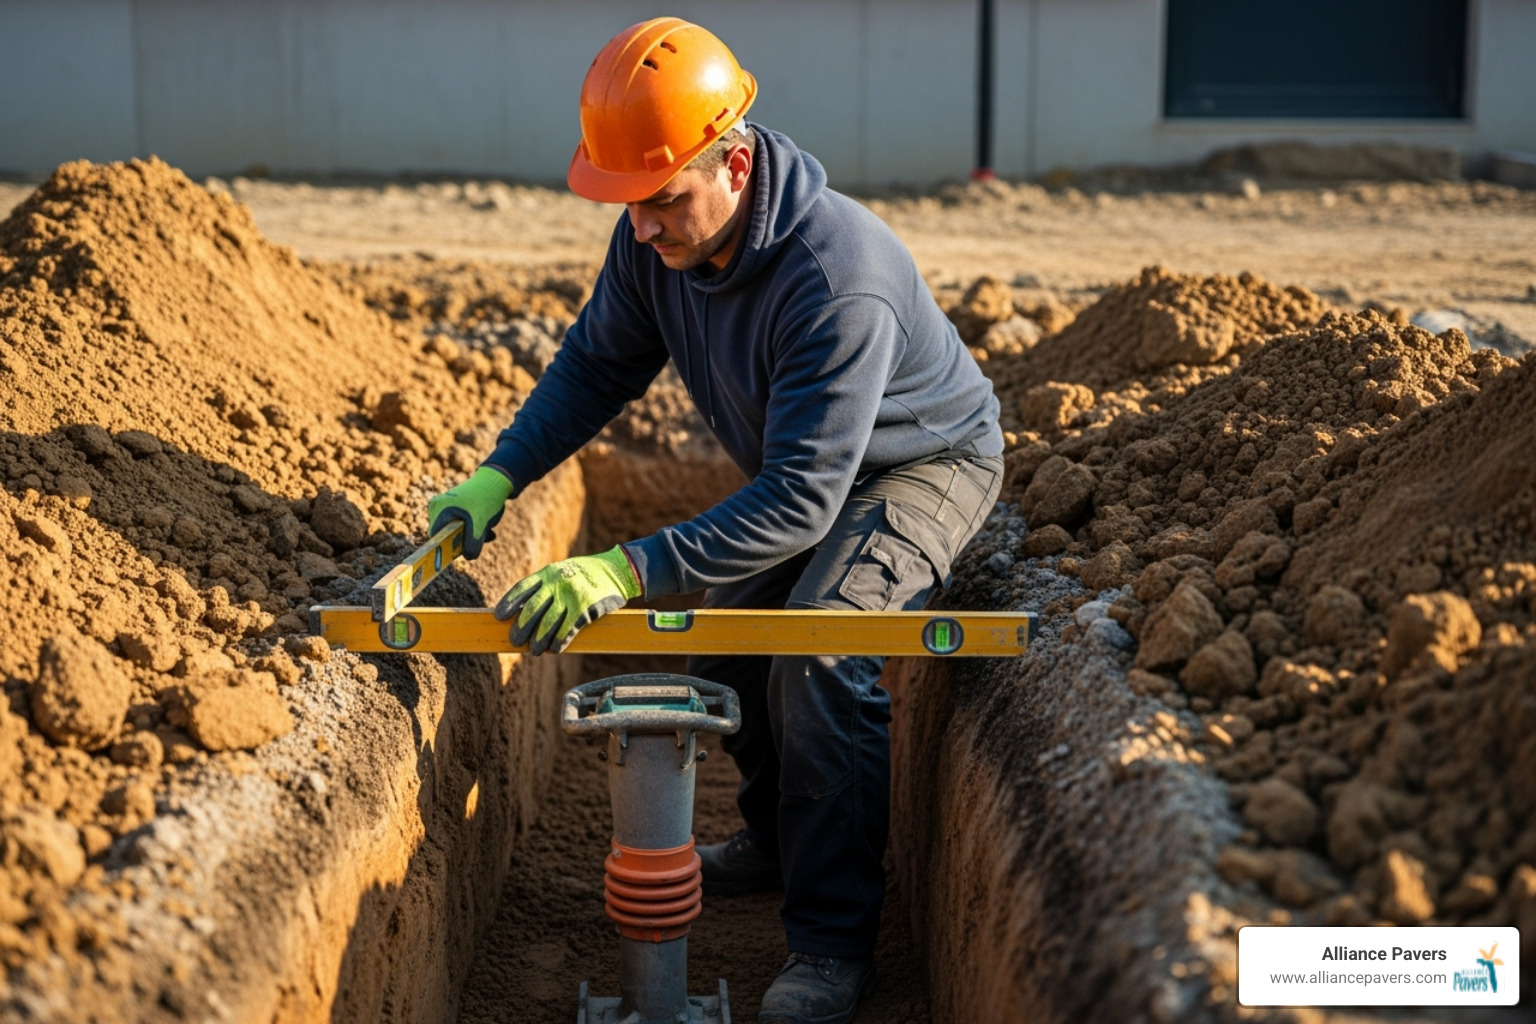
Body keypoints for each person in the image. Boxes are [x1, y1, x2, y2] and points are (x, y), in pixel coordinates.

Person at [427, 17, 1003, 1024]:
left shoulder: (836, 279)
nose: (642, 228)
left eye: (660, 201)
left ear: (734, 162)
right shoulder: (658, 235)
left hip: (919, 468)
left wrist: (624, 566)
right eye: (628, 206)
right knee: (732, 644)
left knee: (820, 655)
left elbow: (805, 500)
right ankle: (782, 842)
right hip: (812, 472)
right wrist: (500, 475)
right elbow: (598, 362)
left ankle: (830, 941)